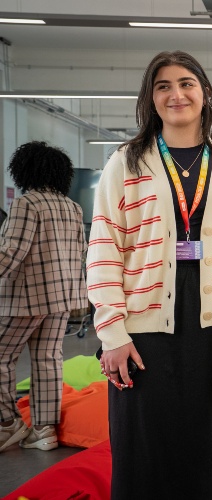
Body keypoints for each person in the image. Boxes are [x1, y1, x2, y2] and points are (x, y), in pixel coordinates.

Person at [86, 51, 212, 498]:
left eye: (187, 83)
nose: (176, 94)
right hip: (143, 329)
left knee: (206, 448)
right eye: (163, 86)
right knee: (143, 450)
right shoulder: (127, 161)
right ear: (150, 99)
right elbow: (104, 248)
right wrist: (111, 332)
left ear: (205, 93)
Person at [0, 141, 86, 453]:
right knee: (48, 359)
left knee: (1, 356)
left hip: (25, 298)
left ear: (24, 170)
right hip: (61, 298)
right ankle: (43, 429)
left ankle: (7, 424)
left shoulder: (27, 204)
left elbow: (12, 252)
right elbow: (81, 253)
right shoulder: (72, 207)